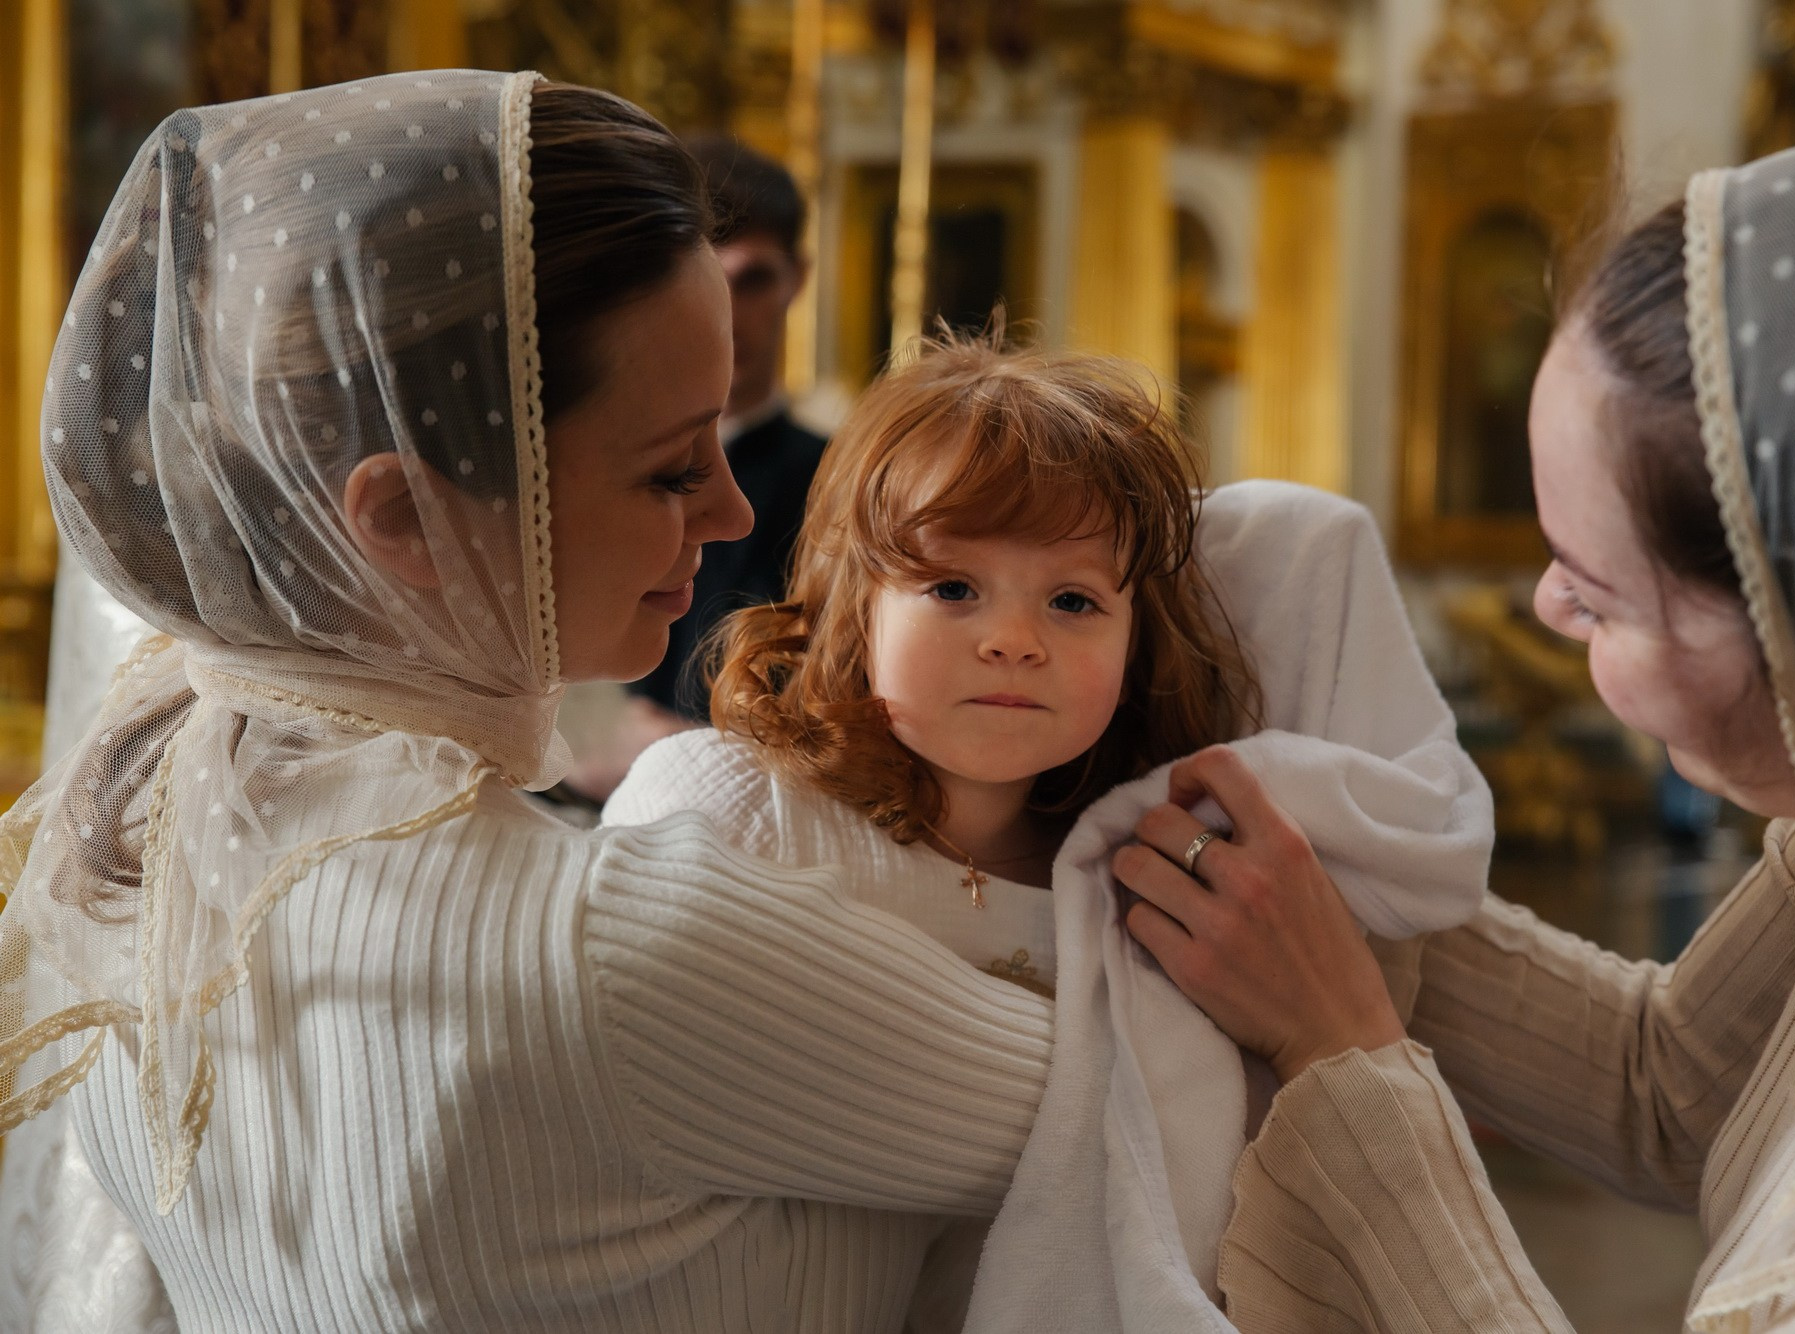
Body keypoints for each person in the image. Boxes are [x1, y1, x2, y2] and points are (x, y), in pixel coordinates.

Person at [0, 71, 1073, 1331]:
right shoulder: (615, 948)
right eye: (670, 469)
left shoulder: (122, 841)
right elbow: (1134, 1133)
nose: (733, 511)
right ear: (407, 516)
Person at [1117, 126, 1795, 1330]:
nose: (1545, 604)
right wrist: (1333, 873)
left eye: (1603, 592)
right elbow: (1668, 1088)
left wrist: (1337, 1047)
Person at [602, 335, 1494, 1328]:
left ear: (1135, 642)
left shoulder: (1142, 893)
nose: (1014, 640)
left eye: (1073, 600)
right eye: (952, 588)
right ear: (858, 604)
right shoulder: (733, 802)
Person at [569, 135, 826, 800]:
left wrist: (674, 754)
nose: (728, 312)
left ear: (797, 279)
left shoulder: (840, 483)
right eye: (705, 276)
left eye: (753, 279)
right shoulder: (576, 468)